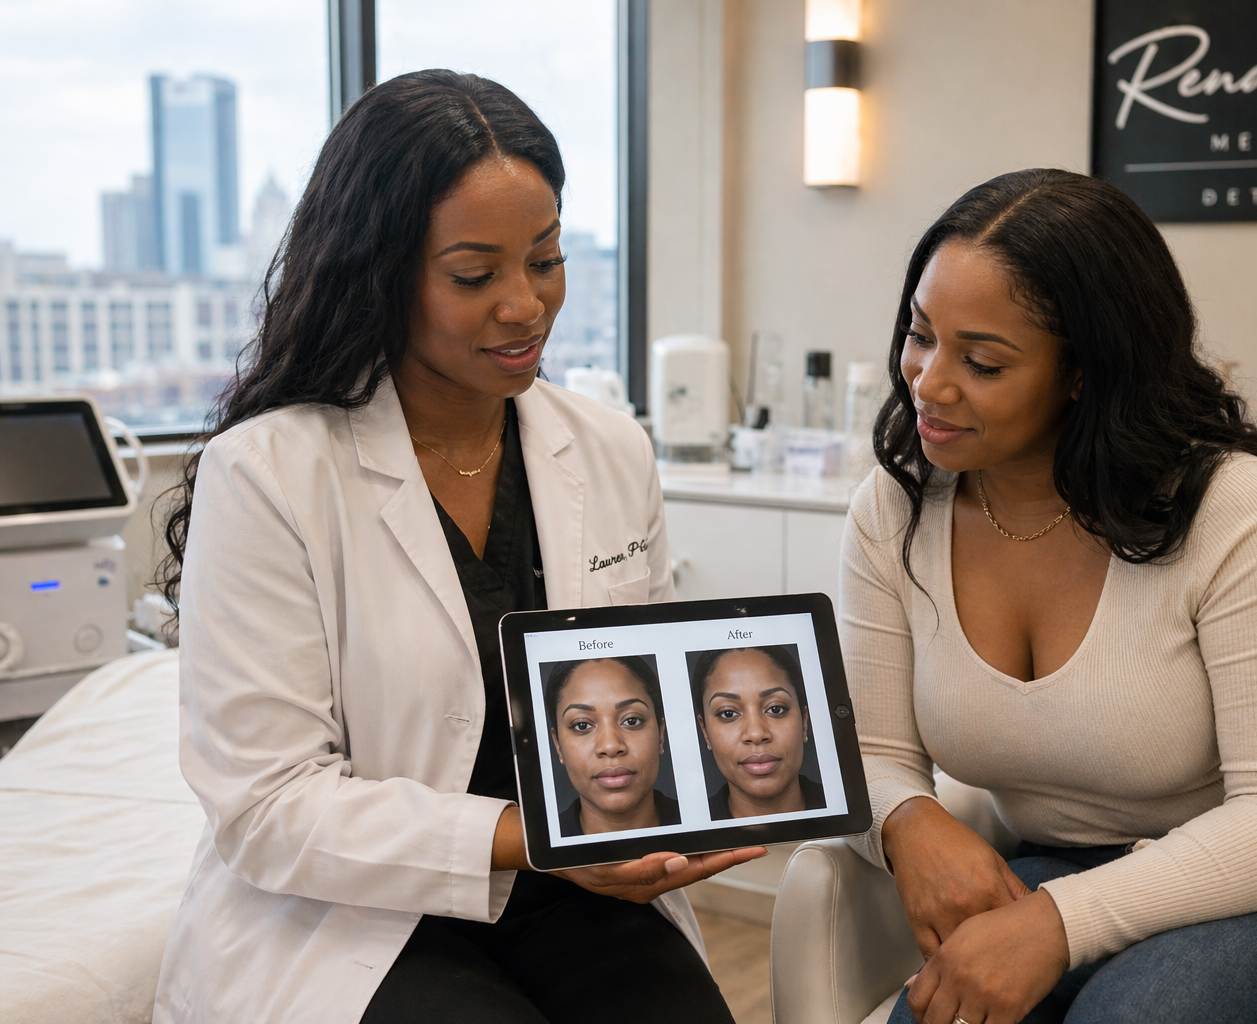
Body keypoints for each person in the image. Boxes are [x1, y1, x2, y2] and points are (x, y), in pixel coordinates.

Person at [151, 71, 762, 1024]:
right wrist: (537, 836)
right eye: (475, 275)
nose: (525, 307)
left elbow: (641, 695)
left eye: (547, 259)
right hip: (353, 906)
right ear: (380, 274)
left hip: (571, 886)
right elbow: (267, 807)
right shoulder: (271, 473)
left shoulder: (605, 448)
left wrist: (685, 797)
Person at [843, 168, 1257, 1024]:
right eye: (920, 334)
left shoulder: (1228, 505)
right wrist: (910, 820)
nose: (929, 382)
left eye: (982, 360)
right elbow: (868, 748)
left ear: (1084, 373)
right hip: (1064, 869)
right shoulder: (897, 508)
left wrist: (1060, 924)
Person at [544, 656, 682, 836]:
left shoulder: (707, 826)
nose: (610, 746)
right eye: (582, 725)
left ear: (661, 734)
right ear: (558, 745)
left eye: (632, 721)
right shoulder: (537, 844)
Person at [690, 646, 826, 819]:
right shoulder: (689, 830)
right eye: (728, 713)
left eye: (776, 709)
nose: (756, 734)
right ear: (705, 732)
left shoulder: (849, 816)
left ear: (804, 721)